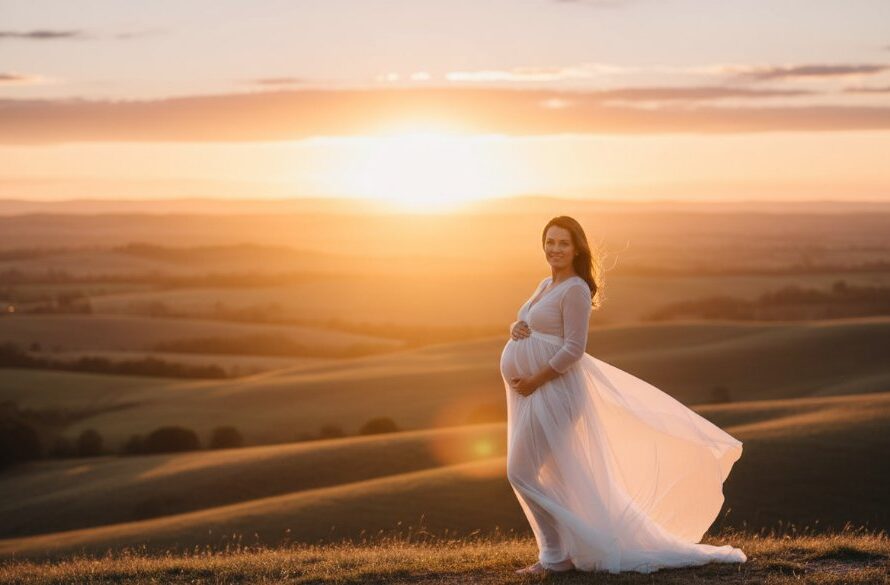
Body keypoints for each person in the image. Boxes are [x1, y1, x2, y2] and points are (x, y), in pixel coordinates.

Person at [499, 216, 747, 575]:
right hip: (533, 393)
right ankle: (564, 551)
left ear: (577, 248)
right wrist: (516, 326)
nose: (554, 249)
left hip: (555, 391)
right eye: (549, 242)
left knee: (520, 471)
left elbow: (573, 349)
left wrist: (536, 379)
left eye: (562, 243)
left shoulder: (576, 290)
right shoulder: (545, 284)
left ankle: (556, 557)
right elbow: (531, 322)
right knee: (552, 474)